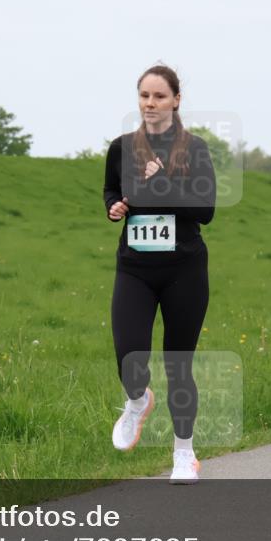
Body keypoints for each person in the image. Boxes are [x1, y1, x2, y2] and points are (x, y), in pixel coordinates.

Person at [103, 64, 217, 481]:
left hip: (183, 269)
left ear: (176, 101)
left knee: (178, 365)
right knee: (129, 354)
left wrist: (165, 183)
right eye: (144, 96)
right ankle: (137, 401)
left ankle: (184, 453)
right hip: (134, 267)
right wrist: (114, 208)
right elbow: (112, 191)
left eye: (159, 97)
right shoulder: (121, 148)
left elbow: (206, 210)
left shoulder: (195, 150)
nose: (150, 104)